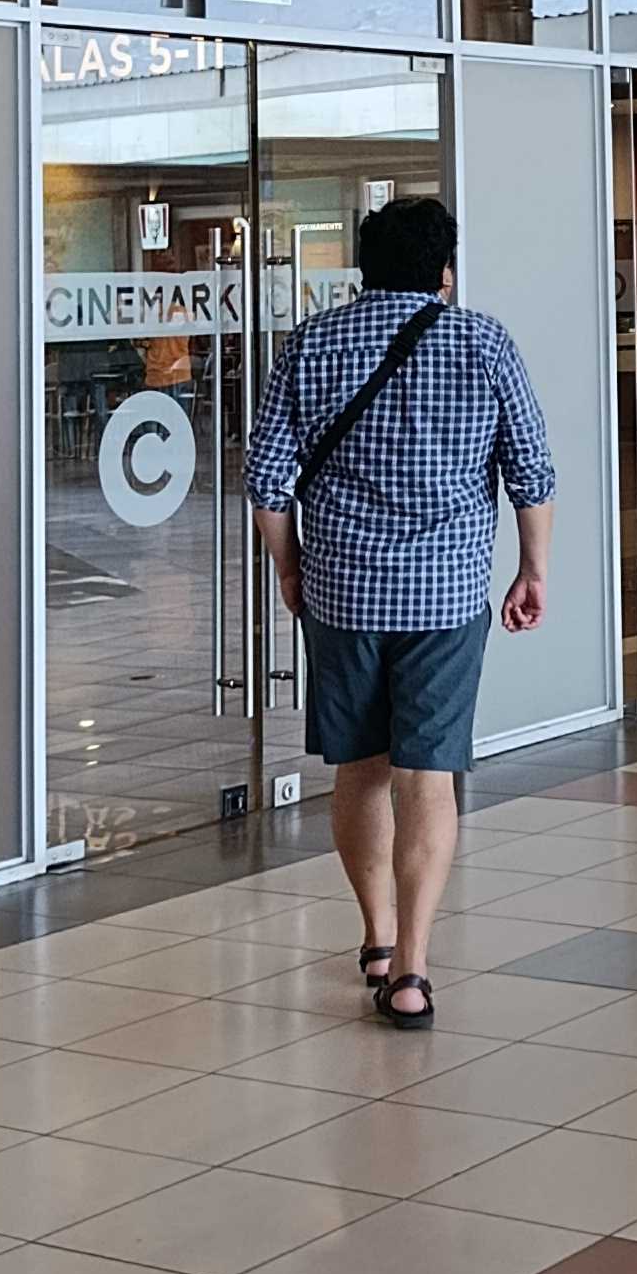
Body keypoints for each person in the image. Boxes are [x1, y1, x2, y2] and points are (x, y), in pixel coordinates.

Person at [247, 193, 553, 1027]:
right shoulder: (483, 342)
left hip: (342, 593)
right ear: (444, 271)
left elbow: (267, 481)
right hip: (447, 595)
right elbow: (531, 471)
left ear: (363, 268)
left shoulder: (312, 343)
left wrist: (290, 568)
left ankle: (376, 937)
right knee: (427, 774)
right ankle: (412, 969)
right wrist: (532, 570)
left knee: (361, 768)